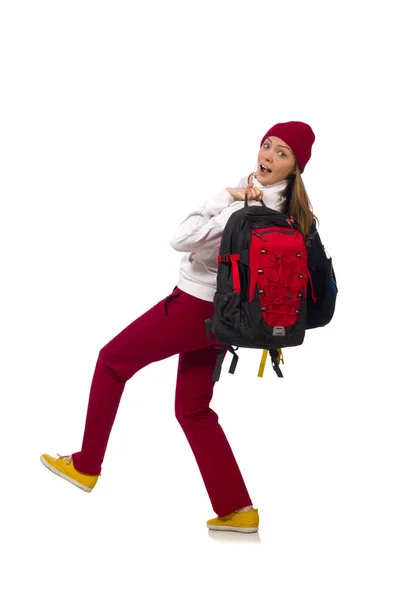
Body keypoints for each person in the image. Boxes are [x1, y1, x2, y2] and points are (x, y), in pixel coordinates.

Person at [41, 120, 317, 534]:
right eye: (267, 145)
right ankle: (237, 509)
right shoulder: (287, 210)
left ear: (296, 168)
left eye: (282, 154)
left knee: (112, 361)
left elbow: (182, 238)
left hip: (195, 306)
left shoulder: (250, 208)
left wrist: (226, 195)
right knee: (193, 409)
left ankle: (86, 465)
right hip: (228, 318)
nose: (268, 157)